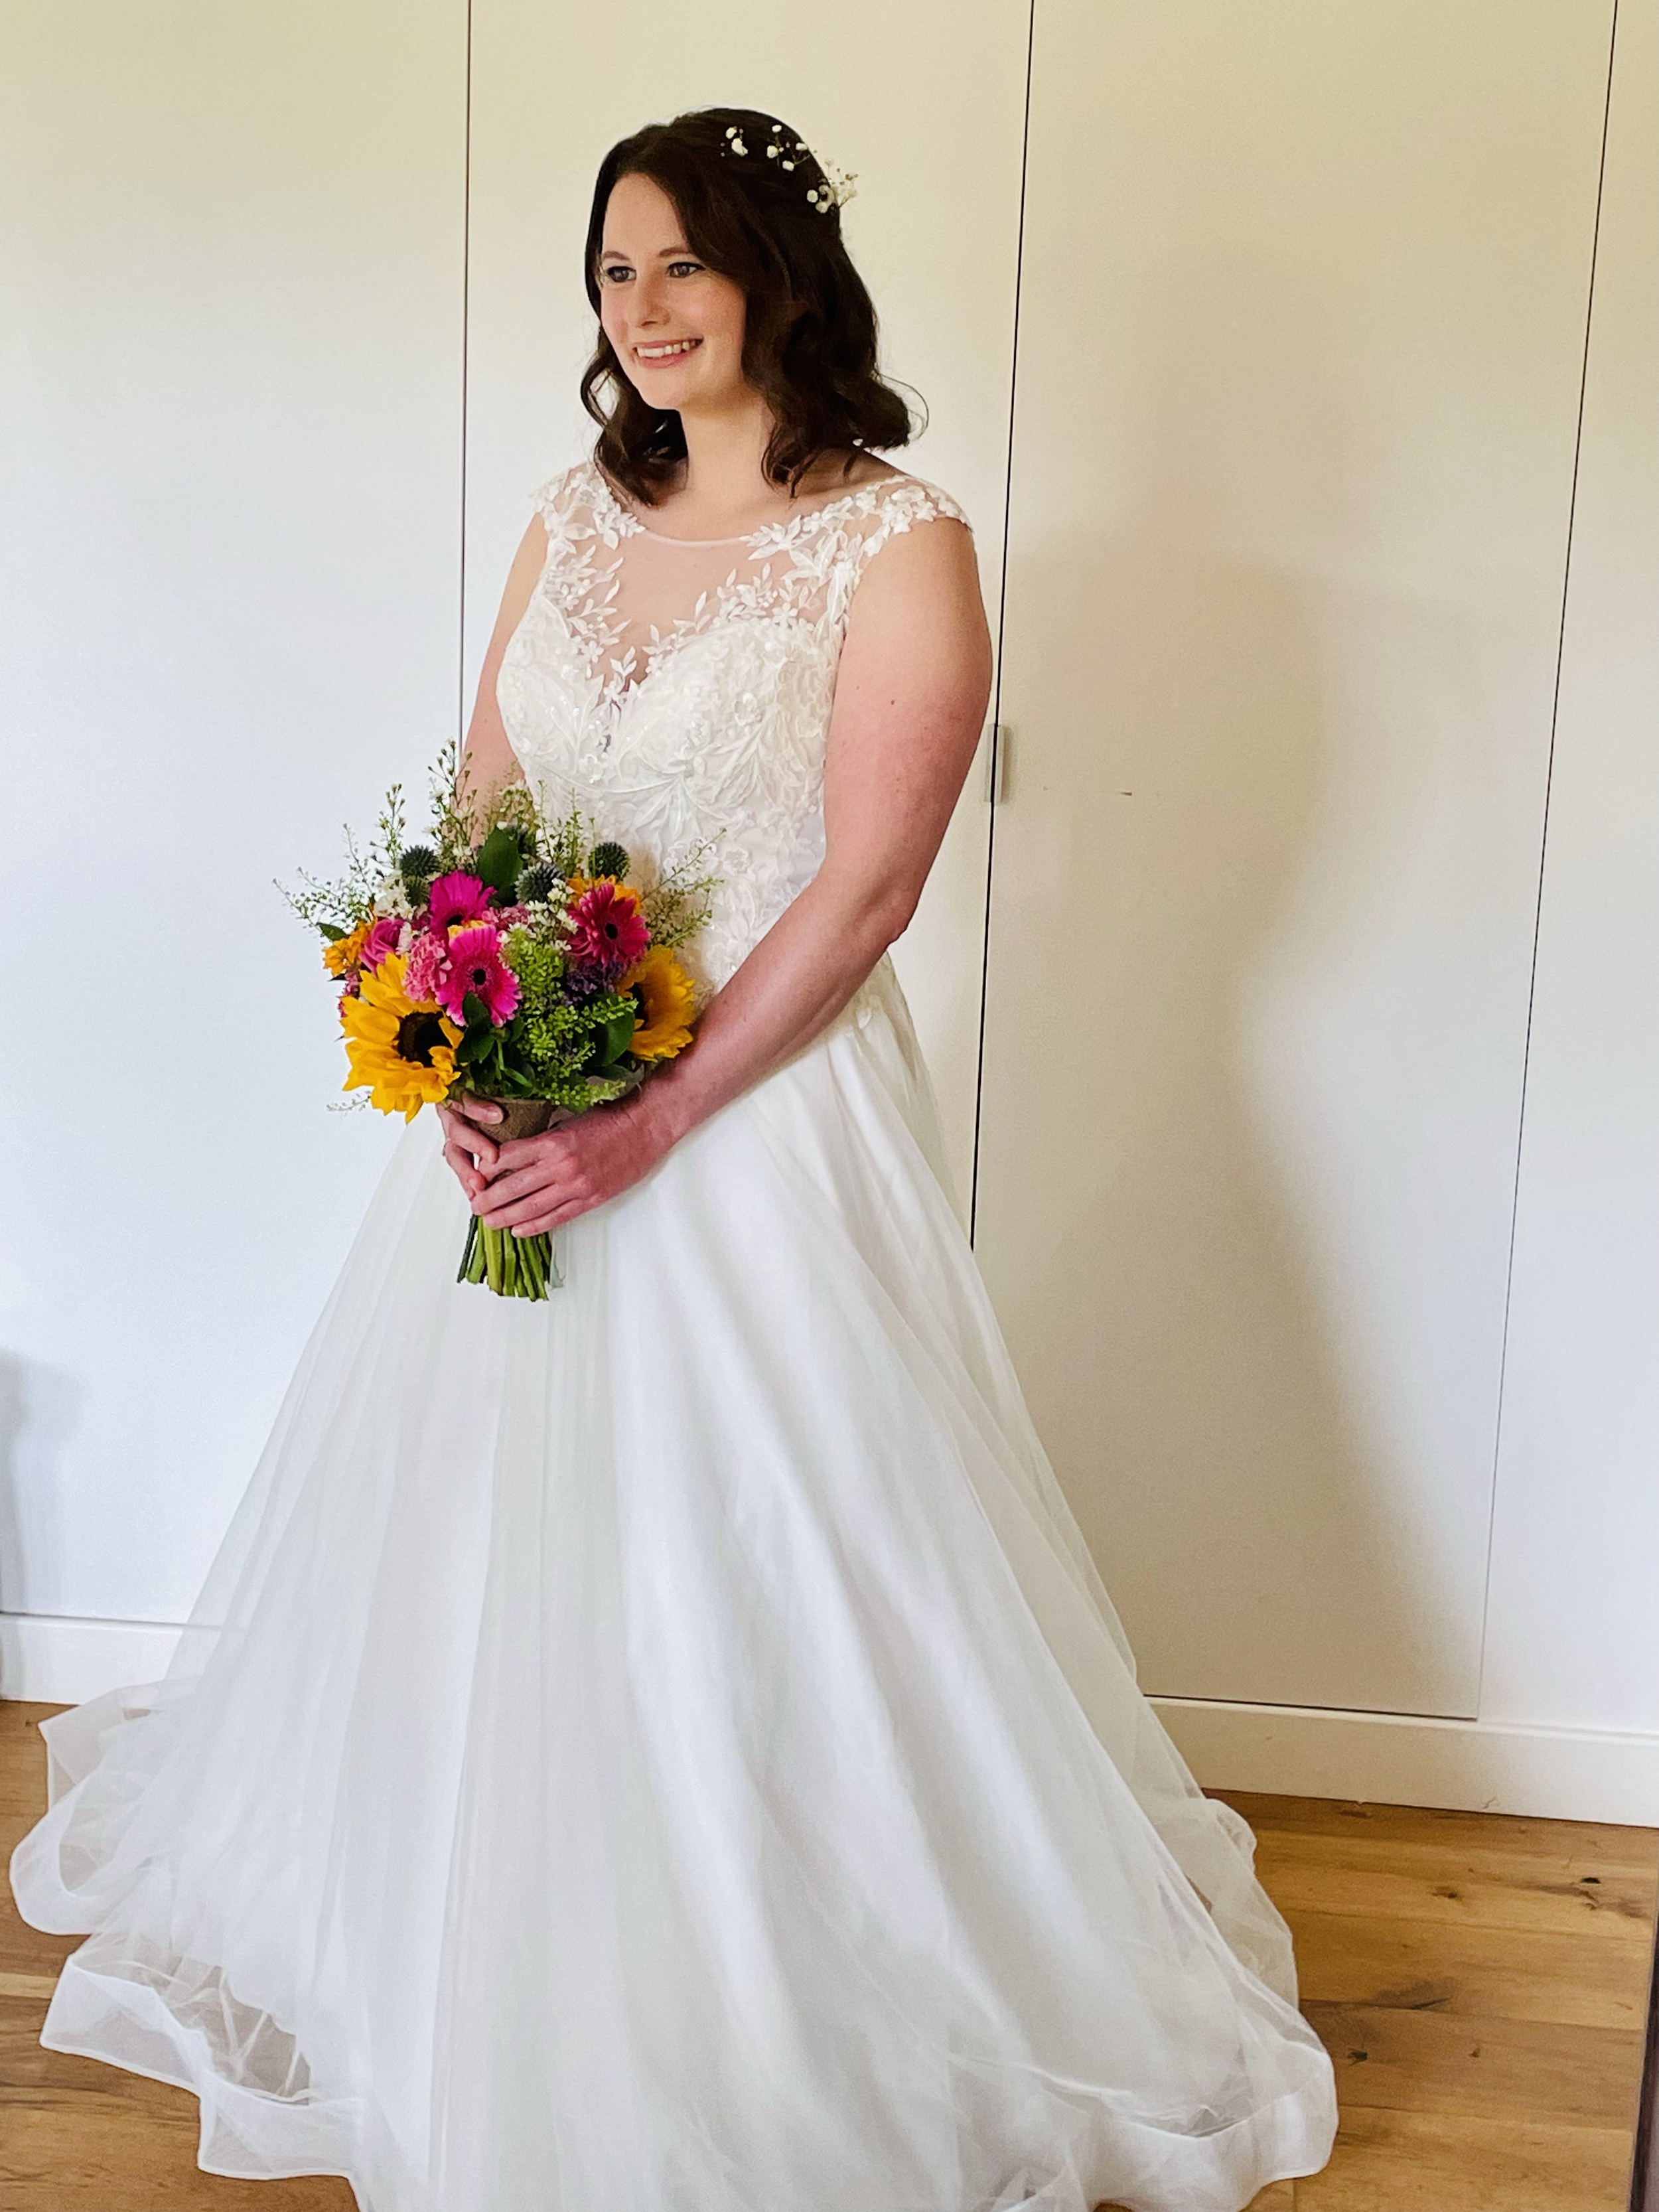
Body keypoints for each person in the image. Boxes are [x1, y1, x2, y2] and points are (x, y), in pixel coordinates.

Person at [10, 105, 1337, 2212]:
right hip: (533, 1088)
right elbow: (483, 801)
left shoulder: (895, 543)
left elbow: (872, 886)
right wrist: (458, 1026)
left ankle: (764, 1972)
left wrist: (655, 1110)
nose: (638, 311)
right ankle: (455, 1914)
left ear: (775, 278)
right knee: (470, 1526)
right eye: (609, 273)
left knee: (775, 1539)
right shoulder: (569, 509)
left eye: (677, 267)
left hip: (755, 1112)